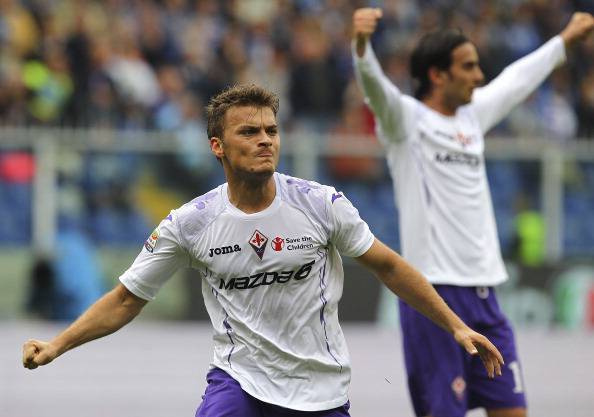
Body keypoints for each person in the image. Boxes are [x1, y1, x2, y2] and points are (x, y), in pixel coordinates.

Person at [22, 84, 504, 416]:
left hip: (320, 388)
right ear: (218, 146)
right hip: (240, 382)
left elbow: (390, 267)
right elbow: (126, 299)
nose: (265, 141)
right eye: (249, 132)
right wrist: (58, 345)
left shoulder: (320, 204)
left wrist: (456, 325)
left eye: (271, 131)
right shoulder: (191, 223)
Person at [352, 7, 594, 417]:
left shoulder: (471, 116)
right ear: (437, 75)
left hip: (485, 294)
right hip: (433, 296)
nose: (479, 76)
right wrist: (361, 47)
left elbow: (516, 80)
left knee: (512, 410)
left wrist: (565, 39)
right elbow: (375, 87)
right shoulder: (406, 120)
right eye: (468, 66)